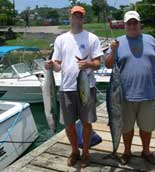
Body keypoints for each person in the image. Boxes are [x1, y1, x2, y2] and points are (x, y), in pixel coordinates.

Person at [45, 6, 103, 168]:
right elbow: (58, 65)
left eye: (80, 16)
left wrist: (89, 64)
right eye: (75, 16)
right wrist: (51, 65)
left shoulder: (92, 38)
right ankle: (74, 151)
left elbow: (98, 63)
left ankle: (85, 152)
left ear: (84, 19)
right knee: (69, 124)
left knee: (86, 122)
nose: (77, 19)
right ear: (70, 17)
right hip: (66, 89)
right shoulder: (61, 39)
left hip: (86, 87)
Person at [105, 11, 155, 165]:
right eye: (129, 23)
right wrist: (113, 50)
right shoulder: (117, 42)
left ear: (139, 24)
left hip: (148, 93)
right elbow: (108, 64)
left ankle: (146, 150)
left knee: (147, 126)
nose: (132, 26)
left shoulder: (151, 40)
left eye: (134, 23)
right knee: (126, 128)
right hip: (124, 95)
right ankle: (127, 151)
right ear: (125, 25)